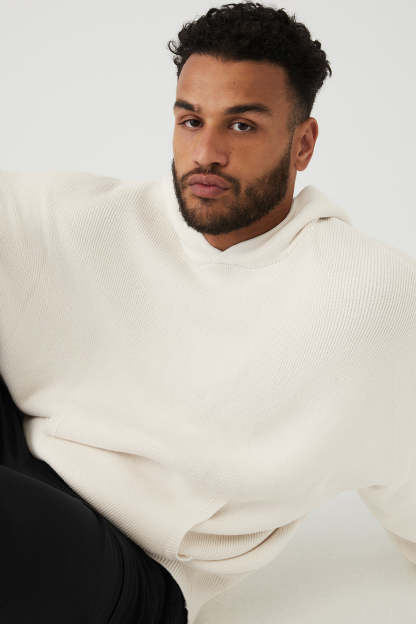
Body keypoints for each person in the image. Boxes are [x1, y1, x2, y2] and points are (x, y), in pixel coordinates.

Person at [1, 2, 415, 623]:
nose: (207, 152)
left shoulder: (368, 294)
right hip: (23, 463)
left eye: (242, 126)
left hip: (130, 560)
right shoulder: (90, 214)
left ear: (303, 143)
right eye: (191, 120)